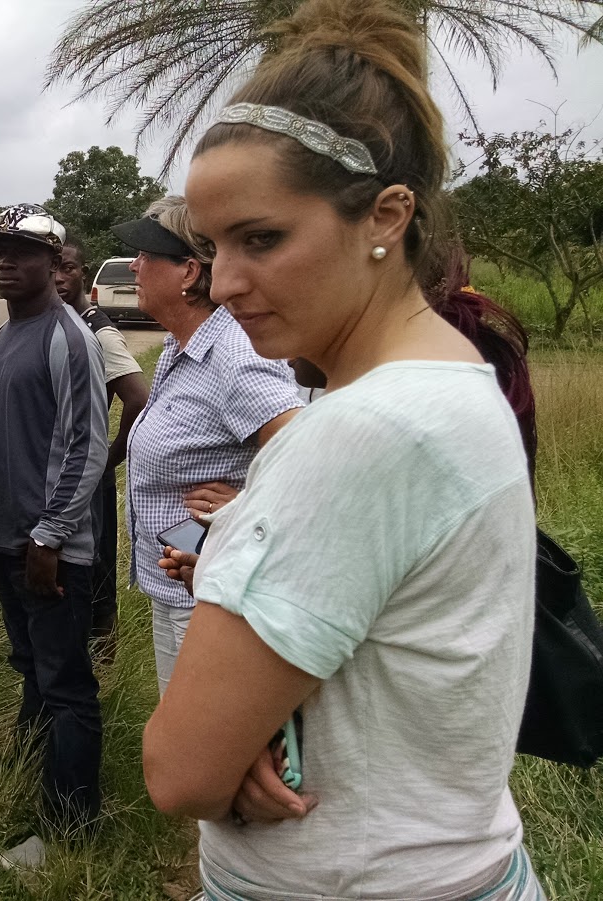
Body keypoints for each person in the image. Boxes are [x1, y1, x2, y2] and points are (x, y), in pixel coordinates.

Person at [142, 1, 542, 898]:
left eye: (263, 238)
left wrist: (228, 734)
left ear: (386, 216)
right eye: (211, 247)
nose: (228, 282)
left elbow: (179, 770)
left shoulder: (364, 430)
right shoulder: (450, 375)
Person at [0, 204, 108, 870]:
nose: (5, 262)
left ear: (56, 263)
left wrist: (50, 536)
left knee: (68, 687)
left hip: (46, 550)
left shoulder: (67, 336)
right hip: (1, 541)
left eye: (21, 252)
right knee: (32, 674)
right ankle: (29, 789)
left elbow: (87, 445)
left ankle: (70, 831)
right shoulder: (2, 338)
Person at [115, 197, 302, 694]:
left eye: (145, 255)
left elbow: (313, 455)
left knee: (194, 760)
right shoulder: (183, 345)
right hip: (181, 589)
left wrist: (245, 509)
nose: (134, 265)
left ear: (188, 272)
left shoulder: (232, 353)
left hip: (209, 599)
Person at [53, 235, 149, 662]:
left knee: (94, 566)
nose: (58, 276)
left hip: (86, 472)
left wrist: (109, 459)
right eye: (52, 266)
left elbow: (138, 398)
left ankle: (103, 663)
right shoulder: (54, 322)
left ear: (83, 274)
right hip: (61, 472)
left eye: (68, 268)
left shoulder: (97, 330)